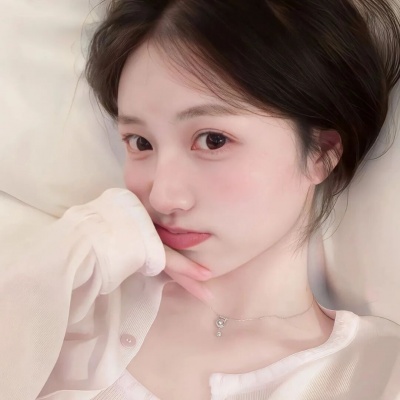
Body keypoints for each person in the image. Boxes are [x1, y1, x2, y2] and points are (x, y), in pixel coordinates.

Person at [2, 0, 400, 399]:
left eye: (213, 140)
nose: (163, 196)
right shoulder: (68, 300)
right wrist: (60, 264)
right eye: (140, 142)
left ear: (320, 153)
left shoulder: (376, 373)